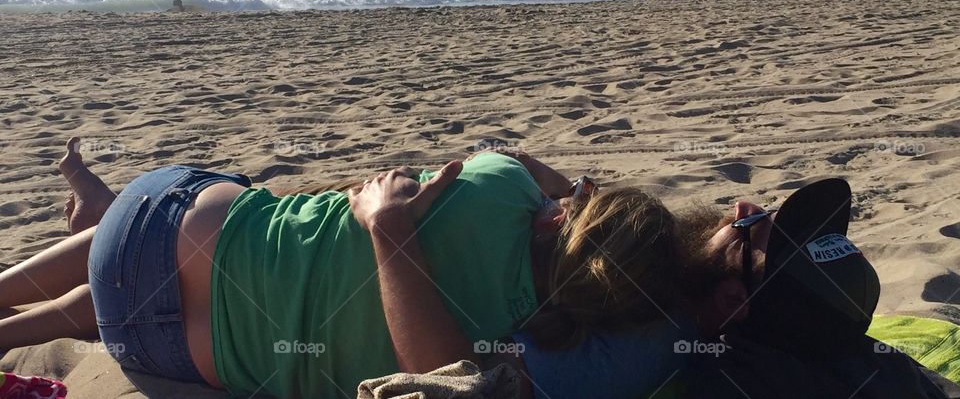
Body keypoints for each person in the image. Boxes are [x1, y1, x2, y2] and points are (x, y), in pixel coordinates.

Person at [0, 139, 685, 398]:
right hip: (153, 342)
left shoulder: (501, 182)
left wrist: (568, 189)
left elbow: (525, 161)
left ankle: (93, 220)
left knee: (179, 227)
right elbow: (437, 374)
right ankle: (93, 226)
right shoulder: (507, 352)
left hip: (155, 225)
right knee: (153, 272)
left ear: (564, 215)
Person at [674, 179, 960, 398]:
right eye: (749, 223)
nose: (746, 205)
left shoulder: (731, 379)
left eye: (746, 223)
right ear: (731, 301)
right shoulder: (889, 367)